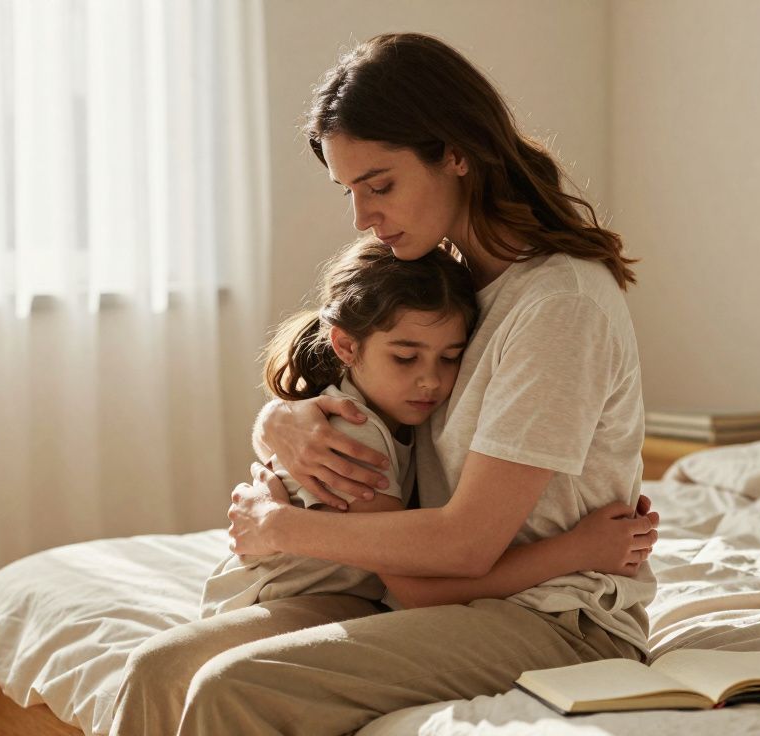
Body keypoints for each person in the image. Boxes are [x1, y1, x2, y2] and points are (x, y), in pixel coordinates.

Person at [110, 32, 660, 736]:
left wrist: (281, 528)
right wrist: (280, 420)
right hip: (421, 595)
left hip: (552, 619)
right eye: (350, 190)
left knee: (233, 688)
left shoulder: (559, 306)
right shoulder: (452, 280)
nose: (362, 216)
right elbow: (328, 354)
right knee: (158, 668)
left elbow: (463, 546)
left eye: (380, 185)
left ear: (457, 153)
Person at [201, 238, 479, 617]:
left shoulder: (403, 418)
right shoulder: (355, 432)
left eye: (449, 357)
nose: (430, 380)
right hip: (271, 604)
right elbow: (405, 572)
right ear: (346, 346)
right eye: (405, 357)